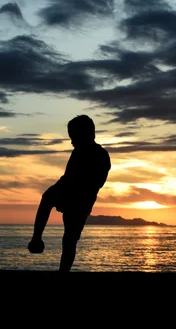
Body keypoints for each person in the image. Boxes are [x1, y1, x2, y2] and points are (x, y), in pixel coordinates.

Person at [28, 114, 111, 272]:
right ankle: (36, 238)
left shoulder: (100, 155)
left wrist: (70, 198)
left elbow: (94, 183)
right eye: (71, 138)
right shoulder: (78, 151)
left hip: (82, 198)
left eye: (74, 137)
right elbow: (67, 176)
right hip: (69, 189)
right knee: (47, 200)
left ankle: (63, 271)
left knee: (70, 239)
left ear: (87, 134)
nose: (72, 142)